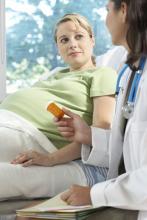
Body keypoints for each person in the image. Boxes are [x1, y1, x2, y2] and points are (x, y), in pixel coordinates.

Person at [0, 13, 117, 200]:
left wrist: (51, 159)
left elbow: (100, 132)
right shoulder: (53, 75)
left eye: (79, 36)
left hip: (32, 133)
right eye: (64, 40)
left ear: (92, 40)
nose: (72, 44)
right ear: (58, 47)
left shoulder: (102, 74)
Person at [56, 1, 147, 220]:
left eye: (107, 10)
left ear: (123, 10)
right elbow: (129, 150)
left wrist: (94, 194)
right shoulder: (130, 72)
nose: (105, 20)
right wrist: (88, 135)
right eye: (64, 40)